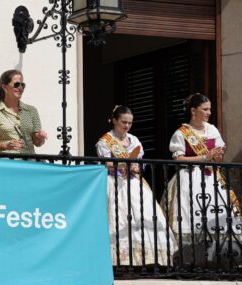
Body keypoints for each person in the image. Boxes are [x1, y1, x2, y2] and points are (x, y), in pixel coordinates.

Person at [165, 93, 241, 261]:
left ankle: (216, 259)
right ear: (193, 111)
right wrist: (205, 157)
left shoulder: (212, 129)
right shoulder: (182, 133)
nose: (209, 113)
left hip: (212, 178)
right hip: (189, 177)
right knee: (189, 215)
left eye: (210, 109)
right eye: (205, 109)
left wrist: (217, 155)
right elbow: (178, 159)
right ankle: (187, 259)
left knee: (217, 216)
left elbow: (218, 159)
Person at [96, 105, 176, 266]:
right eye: (123, 122)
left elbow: (140, 164)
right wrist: (122, 165)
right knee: (117, 217)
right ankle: (119, 261)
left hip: (134, 182)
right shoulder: (104, 141)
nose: (126, 126)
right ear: (114, 121)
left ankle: (146, 260)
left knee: (144, 216)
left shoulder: (134, 140)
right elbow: (106, 163)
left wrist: (135, 166)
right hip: (114, 182)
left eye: (130, 123)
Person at [0, 69, 46, 153]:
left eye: (22, 85)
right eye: (16, 84)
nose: (20, 88)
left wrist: (40, 138)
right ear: (4, 87)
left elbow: (38, 143)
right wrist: (4, 145)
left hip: (28, 162)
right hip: (7, 163)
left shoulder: (31, 110)